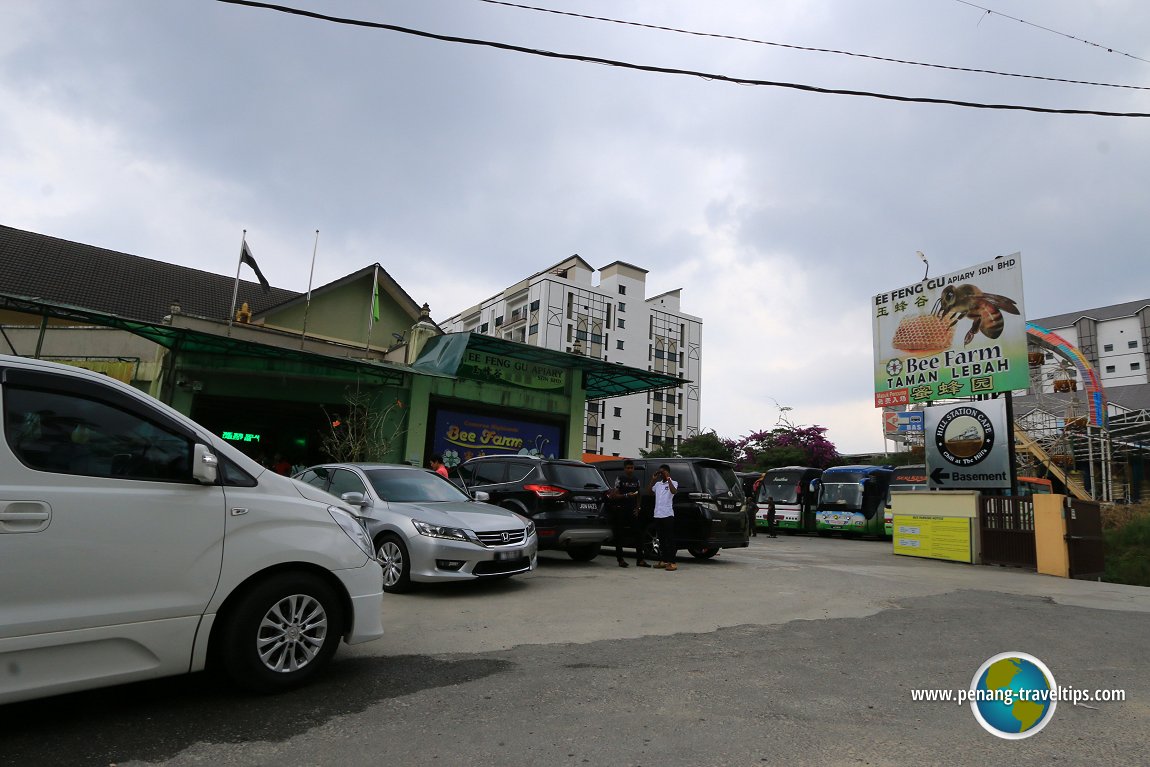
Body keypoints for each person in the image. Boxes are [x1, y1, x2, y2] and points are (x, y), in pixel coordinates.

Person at [606, 460, 647, 568]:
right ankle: (620, 560)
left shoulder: (636, 480)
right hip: (621, 510)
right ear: (624, 469)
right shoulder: (620, 479)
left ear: (633, 468)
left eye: (631, 468)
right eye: (628, 468)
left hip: (632, 511)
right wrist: (626, 495)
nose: (630, 470)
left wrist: (638, 507)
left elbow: (639, 494)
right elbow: (614, 495)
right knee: (620, 535)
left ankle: (640, 560)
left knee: (638, 534)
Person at [649, 463, 678, 571]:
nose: (661, 474)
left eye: (663, 472)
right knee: (661, 539)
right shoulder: (657, 484)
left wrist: (668, 478)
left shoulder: (674, 482)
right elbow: (649, 492)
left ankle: (673, 562)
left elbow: (674, 491)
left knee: (670, 539)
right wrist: (653, 479)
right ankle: (664, 560)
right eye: (660, 472)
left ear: (667, 472)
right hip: (658, 514)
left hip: (668, 514)